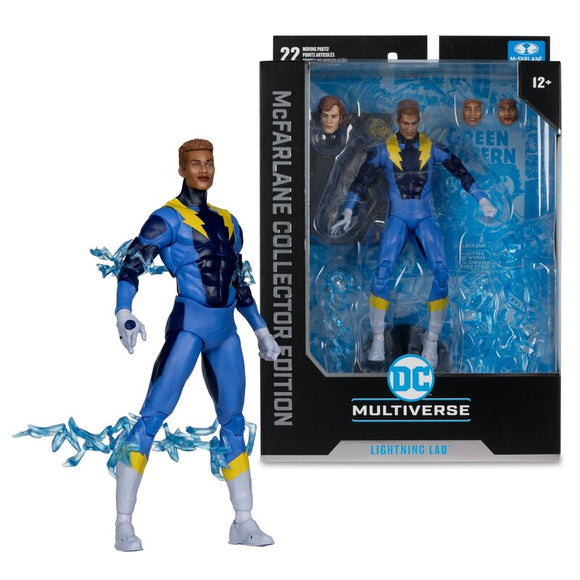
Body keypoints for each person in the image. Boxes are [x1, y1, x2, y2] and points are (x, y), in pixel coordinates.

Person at [113, 138, 280, 551]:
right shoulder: (166, 219)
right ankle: (123, 523)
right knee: (152, 417)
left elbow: (239, 283)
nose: (203, 170)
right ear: (182, 169)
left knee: (234, 422)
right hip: (188, 327)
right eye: (195, 163)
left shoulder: (229, 221)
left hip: (226, 331)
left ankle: (243, 521)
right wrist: (124, 311)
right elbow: (131, 264)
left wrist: (261, 329)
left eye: (208, 163)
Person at [332, 100, 497, 369]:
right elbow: (360, 180)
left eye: (414, 123)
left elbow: (460, 170)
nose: (410, 128)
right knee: (382, 271)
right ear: (398, 121)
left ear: (419, 121)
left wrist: (482, 199)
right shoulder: (384, 151)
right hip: (397, 219)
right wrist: (348, 210)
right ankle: (378, 339)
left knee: (441, 273)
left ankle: (431, 340)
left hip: (424, 218)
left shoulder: (432, 148)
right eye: (405, 123)